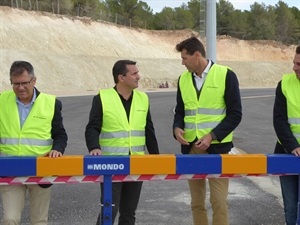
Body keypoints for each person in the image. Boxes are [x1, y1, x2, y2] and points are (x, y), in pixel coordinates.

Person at [172, 36, 242, 225]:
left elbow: (235, 114)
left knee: (218, 201)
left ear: (197, 55)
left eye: (184, 58)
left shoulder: (226, 75)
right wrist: (177, 127)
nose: (182, 63)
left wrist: (212, 135)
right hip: (191, 148)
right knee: (196, 202)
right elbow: (180, 111)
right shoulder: (183, 80)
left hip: (218, 148)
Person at [85, 59, 159, 225]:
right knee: (109, 211)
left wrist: (156, 158)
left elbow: (149, 130)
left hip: (136, 162)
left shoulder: (143, 98)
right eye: (134, 74)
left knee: (129, 213)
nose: (139, 77)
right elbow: (92, 127)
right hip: (111, 164)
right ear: (121, 78)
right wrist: (94, 147)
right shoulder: (102, 98)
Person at [0, 61, 68, 225]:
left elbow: (60, 134)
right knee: (10, 219)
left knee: (39, 221)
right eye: (16, 84)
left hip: (41, 169)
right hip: (11, 168)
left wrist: (57, 149)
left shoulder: (51, 103)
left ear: (34, 81)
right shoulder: (2, 100)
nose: (20, 88)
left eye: (25, 83)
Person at [273, 45, 300, 225]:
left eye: (299, 64)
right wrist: (293, 146)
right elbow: (279, 120)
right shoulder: (285, 84)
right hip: (288, 153)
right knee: (290, 206)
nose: (294, 68)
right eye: (294, 63)